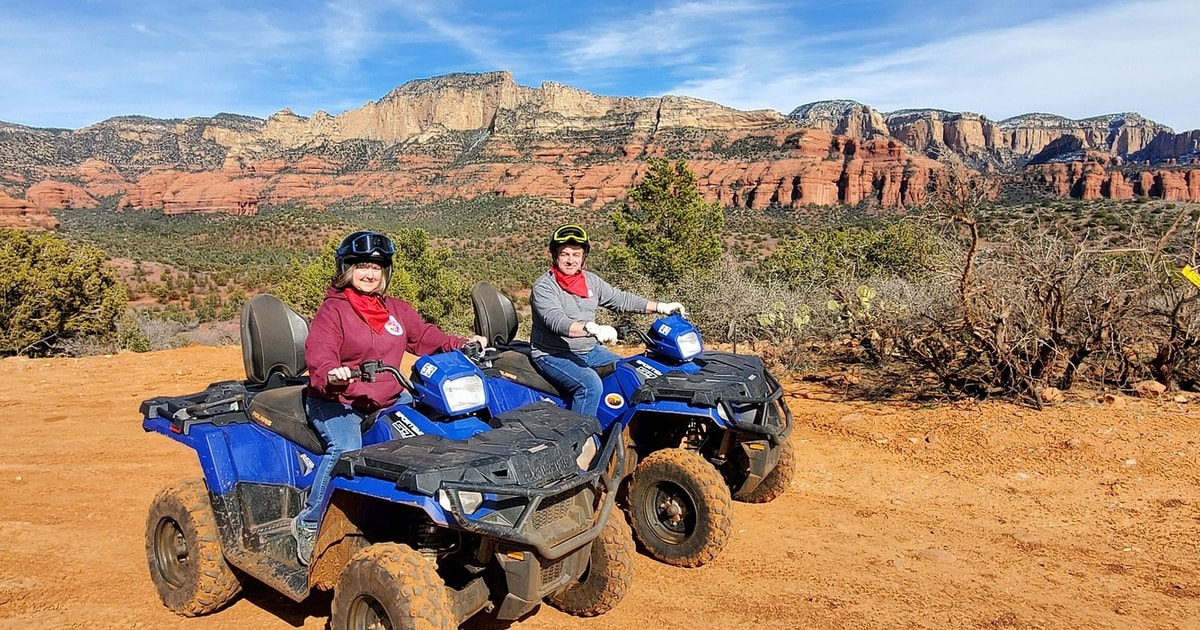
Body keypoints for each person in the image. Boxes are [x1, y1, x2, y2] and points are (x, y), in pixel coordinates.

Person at [292, 230, 486, 565]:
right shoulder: (333, 311)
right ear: (347, 270)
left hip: (388, 398)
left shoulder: (394, 309)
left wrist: (459, 344)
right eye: (361, 266)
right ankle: (309, 523)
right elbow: (320, 357)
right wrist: (333, 374)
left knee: (434, 436)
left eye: (377, 267)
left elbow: (424, 335)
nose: (369, 273)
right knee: (347, 450)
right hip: (338, 401)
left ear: (385, 273)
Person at [529, 223, 686, 418]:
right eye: (564, 254)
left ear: (583, 257)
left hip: (589, 350)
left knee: (629, 371)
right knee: (590, 385)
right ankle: (579, 441)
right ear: (555, 255)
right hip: (552, 354)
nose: (570, 260)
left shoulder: (590, 281)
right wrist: (592, 328)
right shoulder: (544, 287)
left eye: (576, 254)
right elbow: (557, 321)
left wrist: (661, 306)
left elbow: (621, 299)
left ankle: (616, 426)